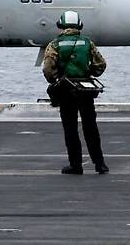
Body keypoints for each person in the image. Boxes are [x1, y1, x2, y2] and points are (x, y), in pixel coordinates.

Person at [43, 10, 109, 175]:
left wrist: (56, 80)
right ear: (79, 25)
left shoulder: (55, 44)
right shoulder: (87, 43)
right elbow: (100, 65)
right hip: (85, 89)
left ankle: (76, 165)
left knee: (70, 128)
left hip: (66, 90)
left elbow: (48, 70)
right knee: (91, 127)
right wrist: (88, 73)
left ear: (61, 25)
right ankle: (99, 163)